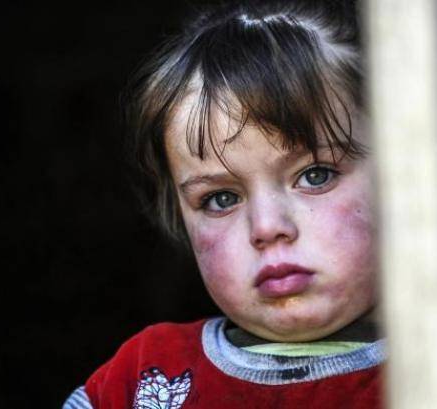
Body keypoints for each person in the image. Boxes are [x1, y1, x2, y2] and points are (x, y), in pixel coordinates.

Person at [63, 0, 384, 408]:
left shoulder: (424, 368)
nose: (267, 227)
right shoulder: (139, 379)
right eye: (221, 198)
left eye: (315, 176)